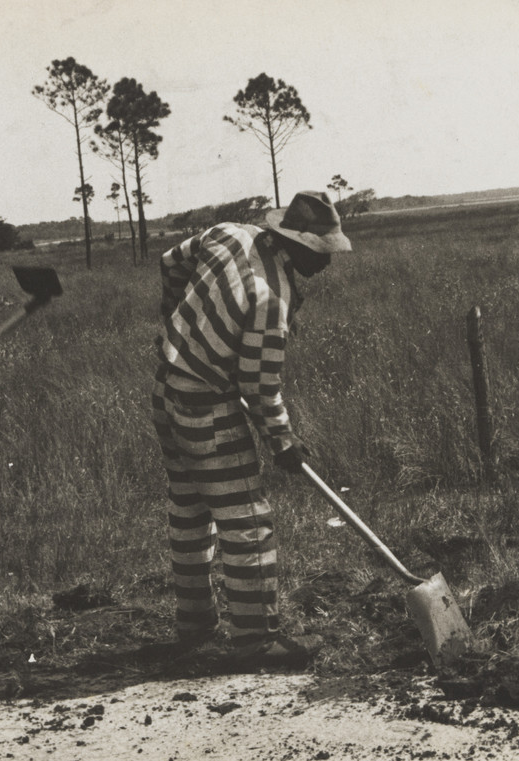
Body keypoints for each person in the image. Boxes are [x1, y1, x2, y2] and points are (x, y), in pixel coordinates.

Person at [151, 190, 351, 668]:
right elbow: (260, 387)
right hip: (204, 404)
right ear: (296, 243)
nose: (326, 263)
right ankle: (257, 641)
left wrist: (177, 314)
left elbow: (170, 262)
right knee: (247, 519)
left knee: (191, 510)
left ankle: (195, 627)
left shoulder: (227, 234)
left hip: (165, 388)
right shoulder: (271, 301)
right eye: (321, 252)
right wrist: (283, 440)